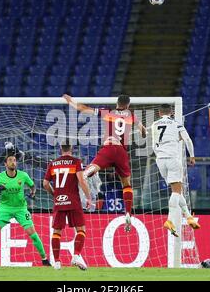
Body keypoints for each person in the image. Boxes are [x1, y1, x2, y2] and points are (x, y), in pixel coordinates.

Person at [63, 94, 147, 232]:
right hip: (121, 151)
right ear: (128, 105)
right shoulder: (132, 115)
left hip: (108, 147)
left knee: (95, 166)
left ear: (117, 103)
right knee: (126, 184)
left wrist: (70, 101)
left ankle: (87, 172)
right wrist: (144, 134)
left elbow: (83, 108)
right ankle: (127, 213)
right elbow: (142, 130)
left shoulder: (107, 112)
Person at [0, 154, 50, 266]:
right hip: (5, 209)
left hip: (21, 209)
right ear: (5, 164)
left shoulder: (23, 175)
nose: (13, 162)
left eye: (15, 160)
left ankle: (45, 260)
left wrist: (33, 192)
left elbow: (32, 186)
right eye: (10, 160)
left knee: (33, 235)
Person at [151, 104, 200, 236]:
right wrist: (192, 156)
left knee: (177, 191)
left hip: (160, 160)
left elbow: (154, 146)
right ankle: (170, 220)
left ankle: (189, 216)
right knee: (177, 191)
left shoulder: (154, 124)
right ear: (171, 112)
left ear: (159, 113)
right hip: (172, 158)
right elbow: (188, 140)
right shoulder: (176, 124)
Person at [43, 144, 92, 270]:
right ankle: (76, 255)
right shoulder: (76, 162)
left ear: (60, 149)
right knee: (81, 229)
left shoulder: (53, 163)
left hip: (59, 201)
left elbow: (45, 183)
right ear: (71, 148)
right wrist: (88, 197)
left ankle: (57, 262)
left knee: (57, 232)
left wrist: (54, 194)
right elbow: (81, 180)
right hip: (73, 201)